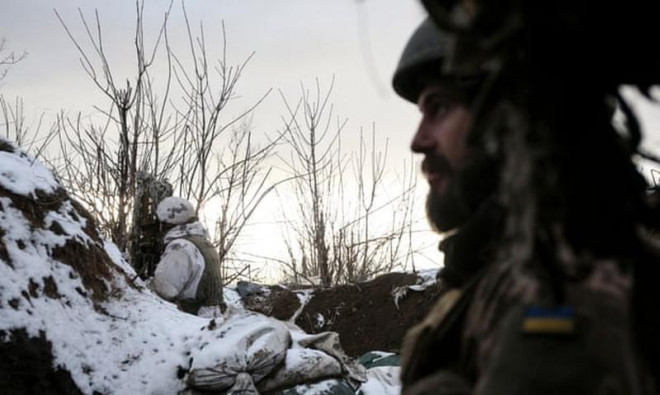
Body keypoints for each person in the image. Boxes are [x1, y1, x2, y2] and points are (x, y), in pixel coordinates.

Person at [394, 3, 660, 394]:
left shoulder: (562, 284)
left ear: (511, 117)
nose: (418, 141)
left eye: (440, 107)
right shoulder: (506, 272)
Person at [151, 197, 225, 317]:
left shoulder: (180, 247)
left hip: (194, 319)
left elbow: (164, 289)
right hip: (212, 317)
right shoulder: (201, 241)